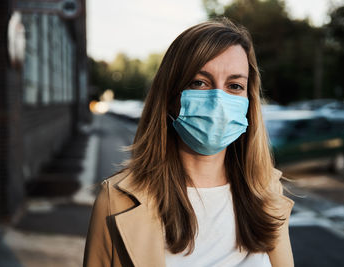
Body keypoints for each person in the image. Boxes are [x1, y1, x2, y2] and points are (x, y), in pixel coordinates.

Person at [83, 18, 295, 267]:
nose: (218, 100)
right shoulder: (115, 202)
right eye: (199, 82)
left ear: (248, 102)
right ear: (170, 96)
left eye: (235, 86)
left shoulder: (267, 191)